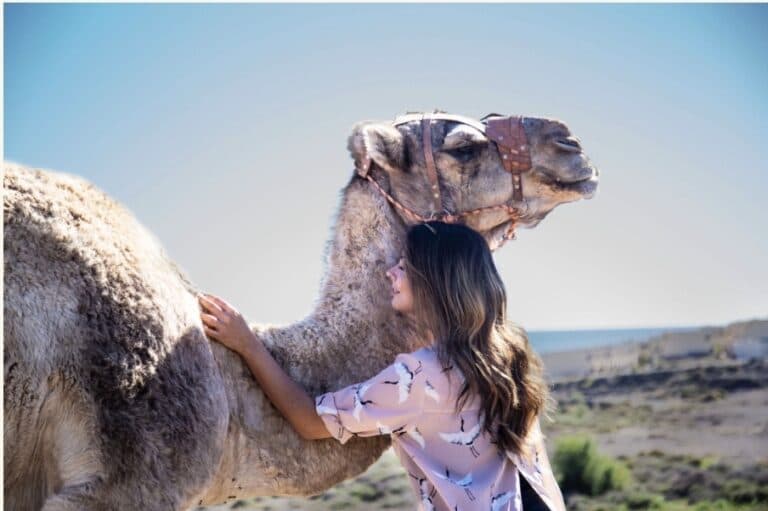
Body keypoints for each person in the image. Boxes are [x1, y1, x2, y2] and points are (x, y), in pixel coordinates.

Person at [198, 221, 567, 511]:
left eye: (404, 265)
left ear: (432, 280)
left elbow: (310, 422)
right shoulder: (506, 355)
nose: (391, 272)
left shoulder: (421, 376)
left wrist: (247, 344)